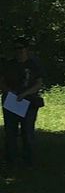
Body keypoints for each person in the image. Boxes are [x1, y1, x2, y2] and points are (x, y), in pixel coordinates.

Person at [1, 37, 45, 167]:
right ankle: (10, 159)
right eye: (16, 49)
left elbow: (39, 84)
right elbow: (1, 81)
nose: (18, 51)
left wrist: (24, 94)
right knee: (10, 131)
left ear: (27, 49)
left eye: (21, 48)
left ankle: (29, 160)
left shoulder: (34, 64)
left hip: (29, 102)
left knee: (27, 131)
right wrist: (10, 92)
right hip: (11, 101)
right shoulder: (9, 64)